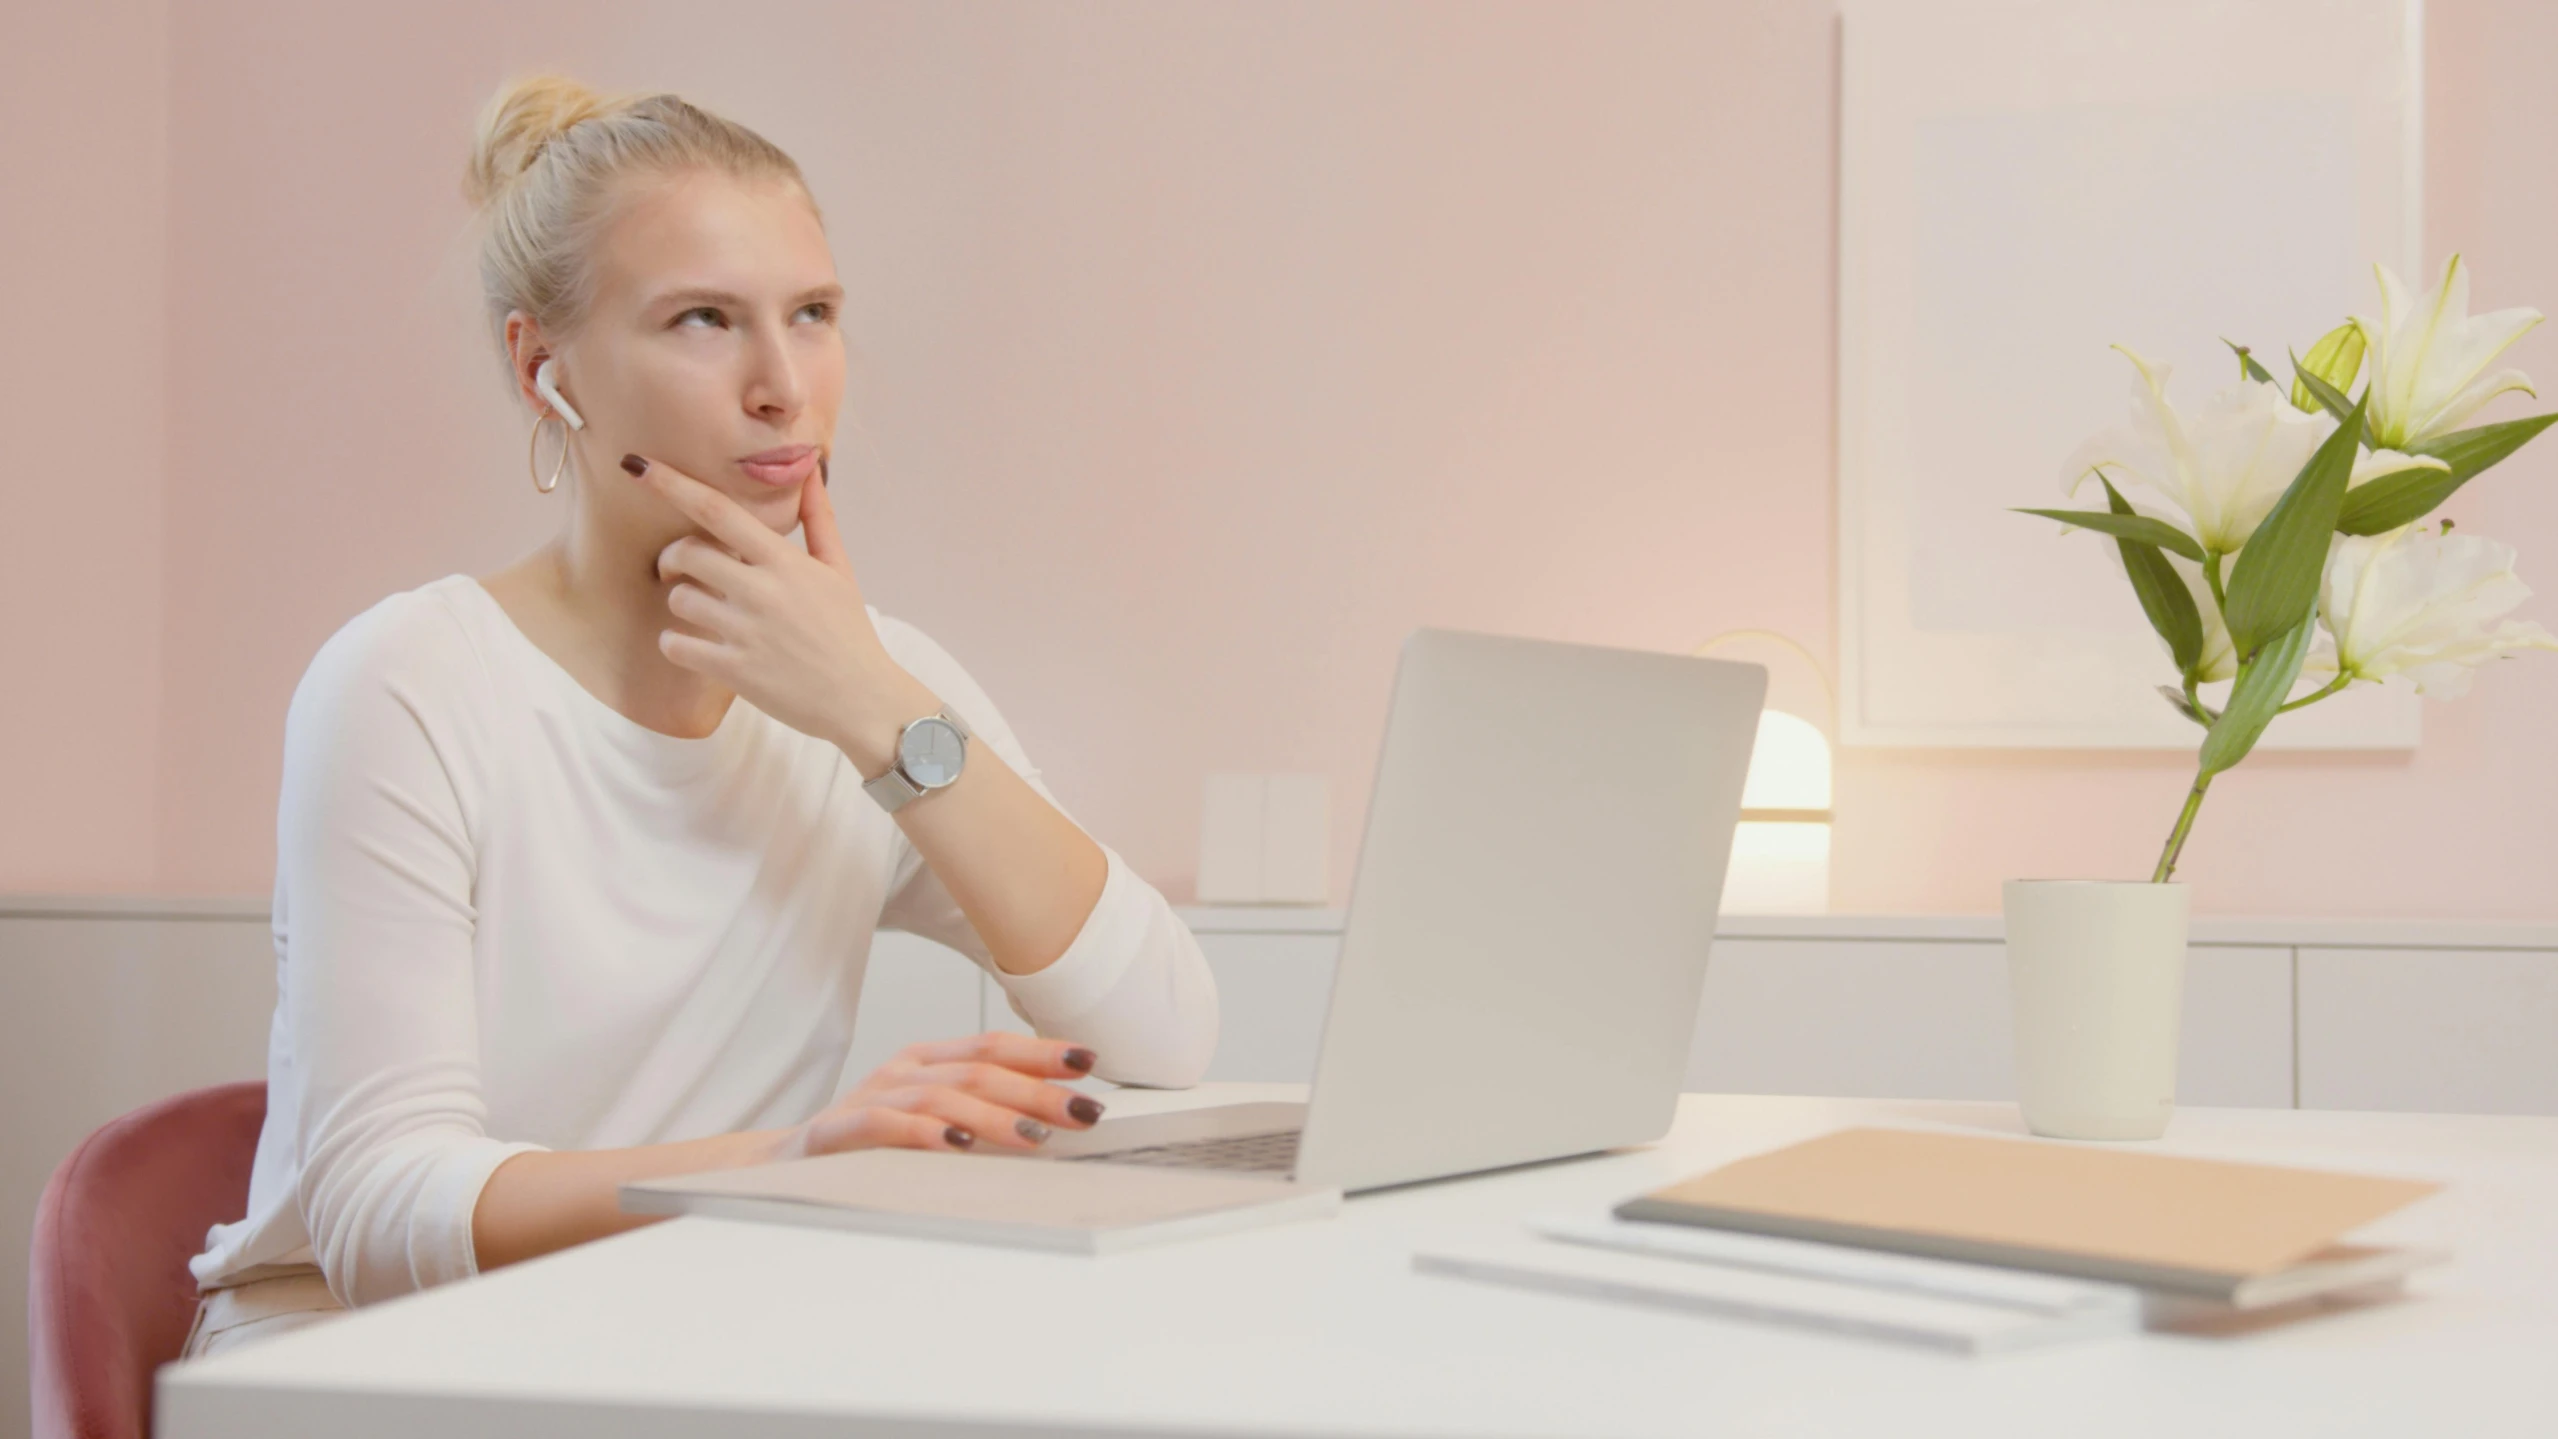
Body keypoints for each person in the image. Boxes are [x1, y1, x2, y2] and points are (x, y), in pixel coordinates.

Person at [177, 74, 1219, 1361]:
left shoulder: (869, 680)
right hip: (349, 1358)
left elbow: (1165, 1034)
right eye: (703, 320)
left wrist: (882, 715)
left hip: (665, 1342)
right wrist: (792, 1158)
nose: (784, 385)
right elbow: (380, 1216)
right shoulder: (407, 681)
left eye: (815, 314)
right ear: (542, 366)